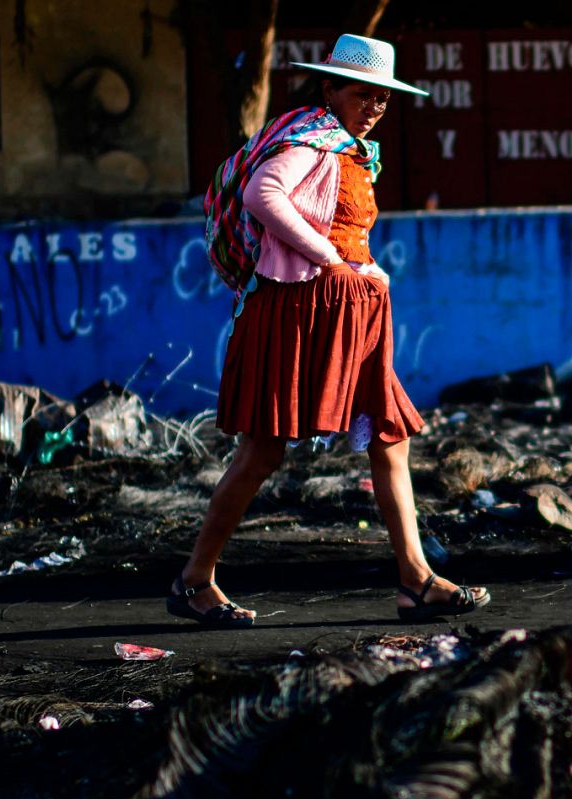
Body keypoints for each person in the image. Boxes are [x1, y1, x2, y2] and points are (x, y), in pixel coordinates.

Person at [169, 34, 491, 627]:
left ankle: (415, 581)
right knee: (262, 451)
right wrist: (330, 259)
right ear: (329, 89)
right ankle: (195, 580)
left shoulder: (349, 150)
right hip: (297, 314)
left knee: (391, 436)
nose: (374, 107)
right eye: (364, 95)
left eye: (383, 99)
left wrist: (367, 272)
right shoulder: (309, 137)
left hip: (352, 317)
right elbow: (264, 192)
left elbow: (345, 231)